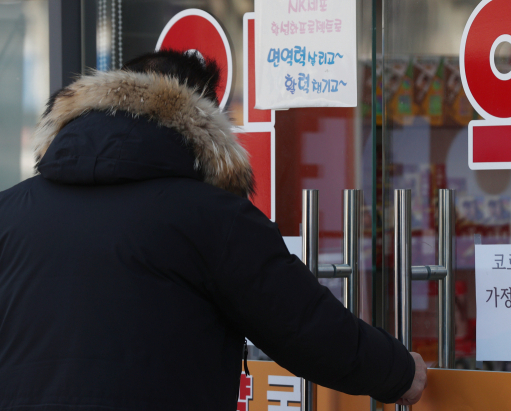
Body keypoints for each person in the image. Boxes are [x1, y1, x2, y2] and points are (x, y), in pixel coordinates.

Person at [0, 50, 426, 411]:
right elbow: (304, 326)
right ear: (201, 120)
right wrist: (399, 373)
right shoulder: (213, 218)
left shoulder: (11, 210)